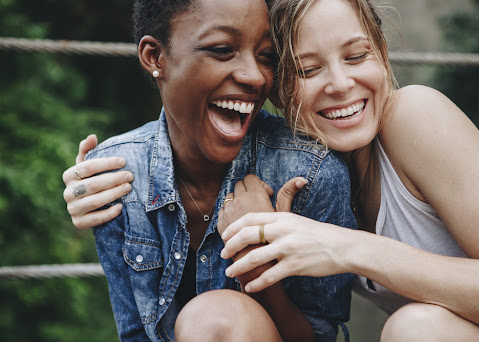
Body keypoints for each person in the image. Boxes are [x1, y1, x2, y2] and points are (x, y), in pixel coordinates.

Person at [61, 0, 357, 341]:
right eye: (221, 49)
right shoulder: (116, 180)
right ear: (155, 57)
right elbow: (134, 332)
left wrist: (260, 271)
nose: (254, 75)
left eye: (267, 56)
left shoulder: (309, 174)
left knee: (216, 318)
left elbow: (321, 336)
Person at [218, 0, 479, 341]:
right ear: (280, 88)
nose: (341, 84)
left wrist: (348, 249)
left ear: (382, 55)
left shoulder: (416, 116)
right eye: (309, 70)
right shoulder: (311, 175)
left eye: (356, 56)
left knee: (416, 329)